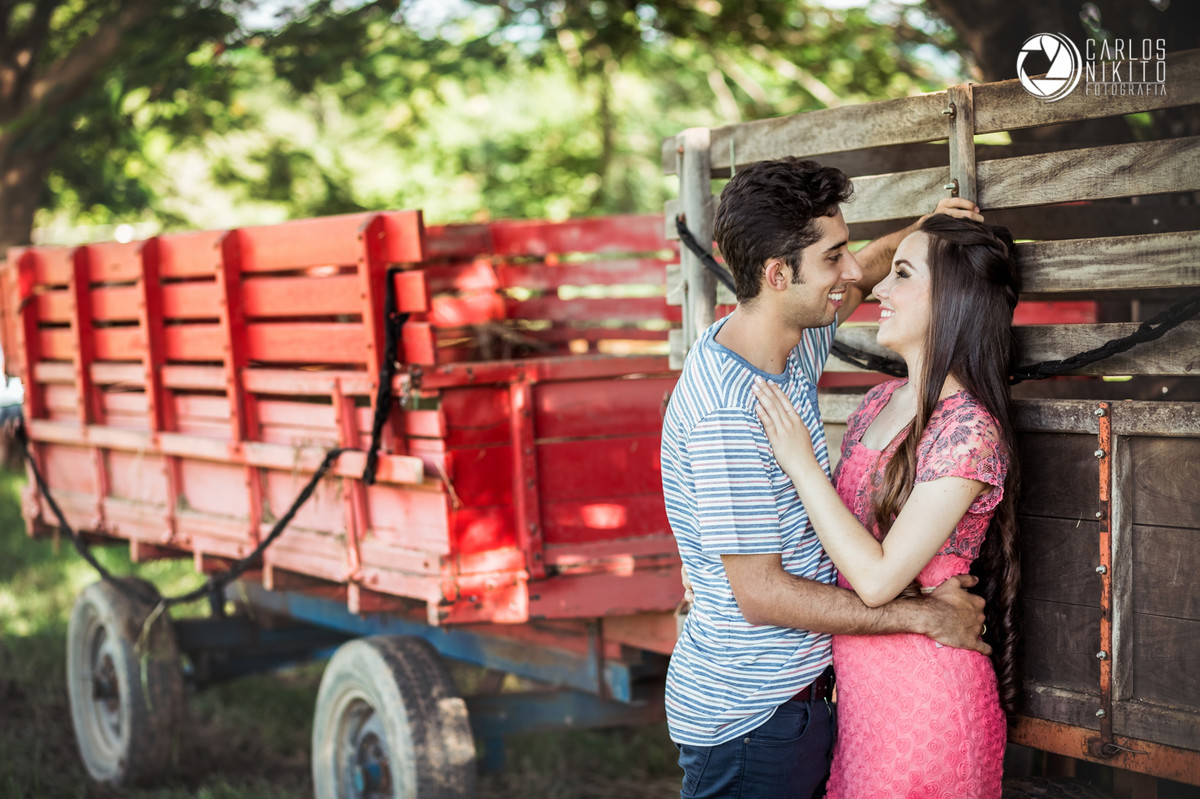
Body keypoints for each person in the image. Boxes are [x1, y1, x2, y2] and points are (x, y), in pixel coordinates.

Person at [661, 156, 989, 799]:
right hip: (754, 720)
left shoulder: (784, 336)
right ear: (778, 275)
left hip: (793, 703)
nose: (851, 271)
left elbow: (865, 278)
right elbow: (762, 594)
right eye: (832, 256)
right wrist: (922, 617)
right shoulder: (731, 412)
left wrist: (922, 231)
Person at [752, 213, 1021, 798]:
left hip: (926, 702)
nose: (877, 289)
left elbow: (874, 580)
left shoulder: (969, 429)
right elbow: (835, 540)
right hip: (862, 700)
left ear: (953, 298)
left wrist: (801, 462)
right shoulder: (877, 403)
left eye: (901, 274)